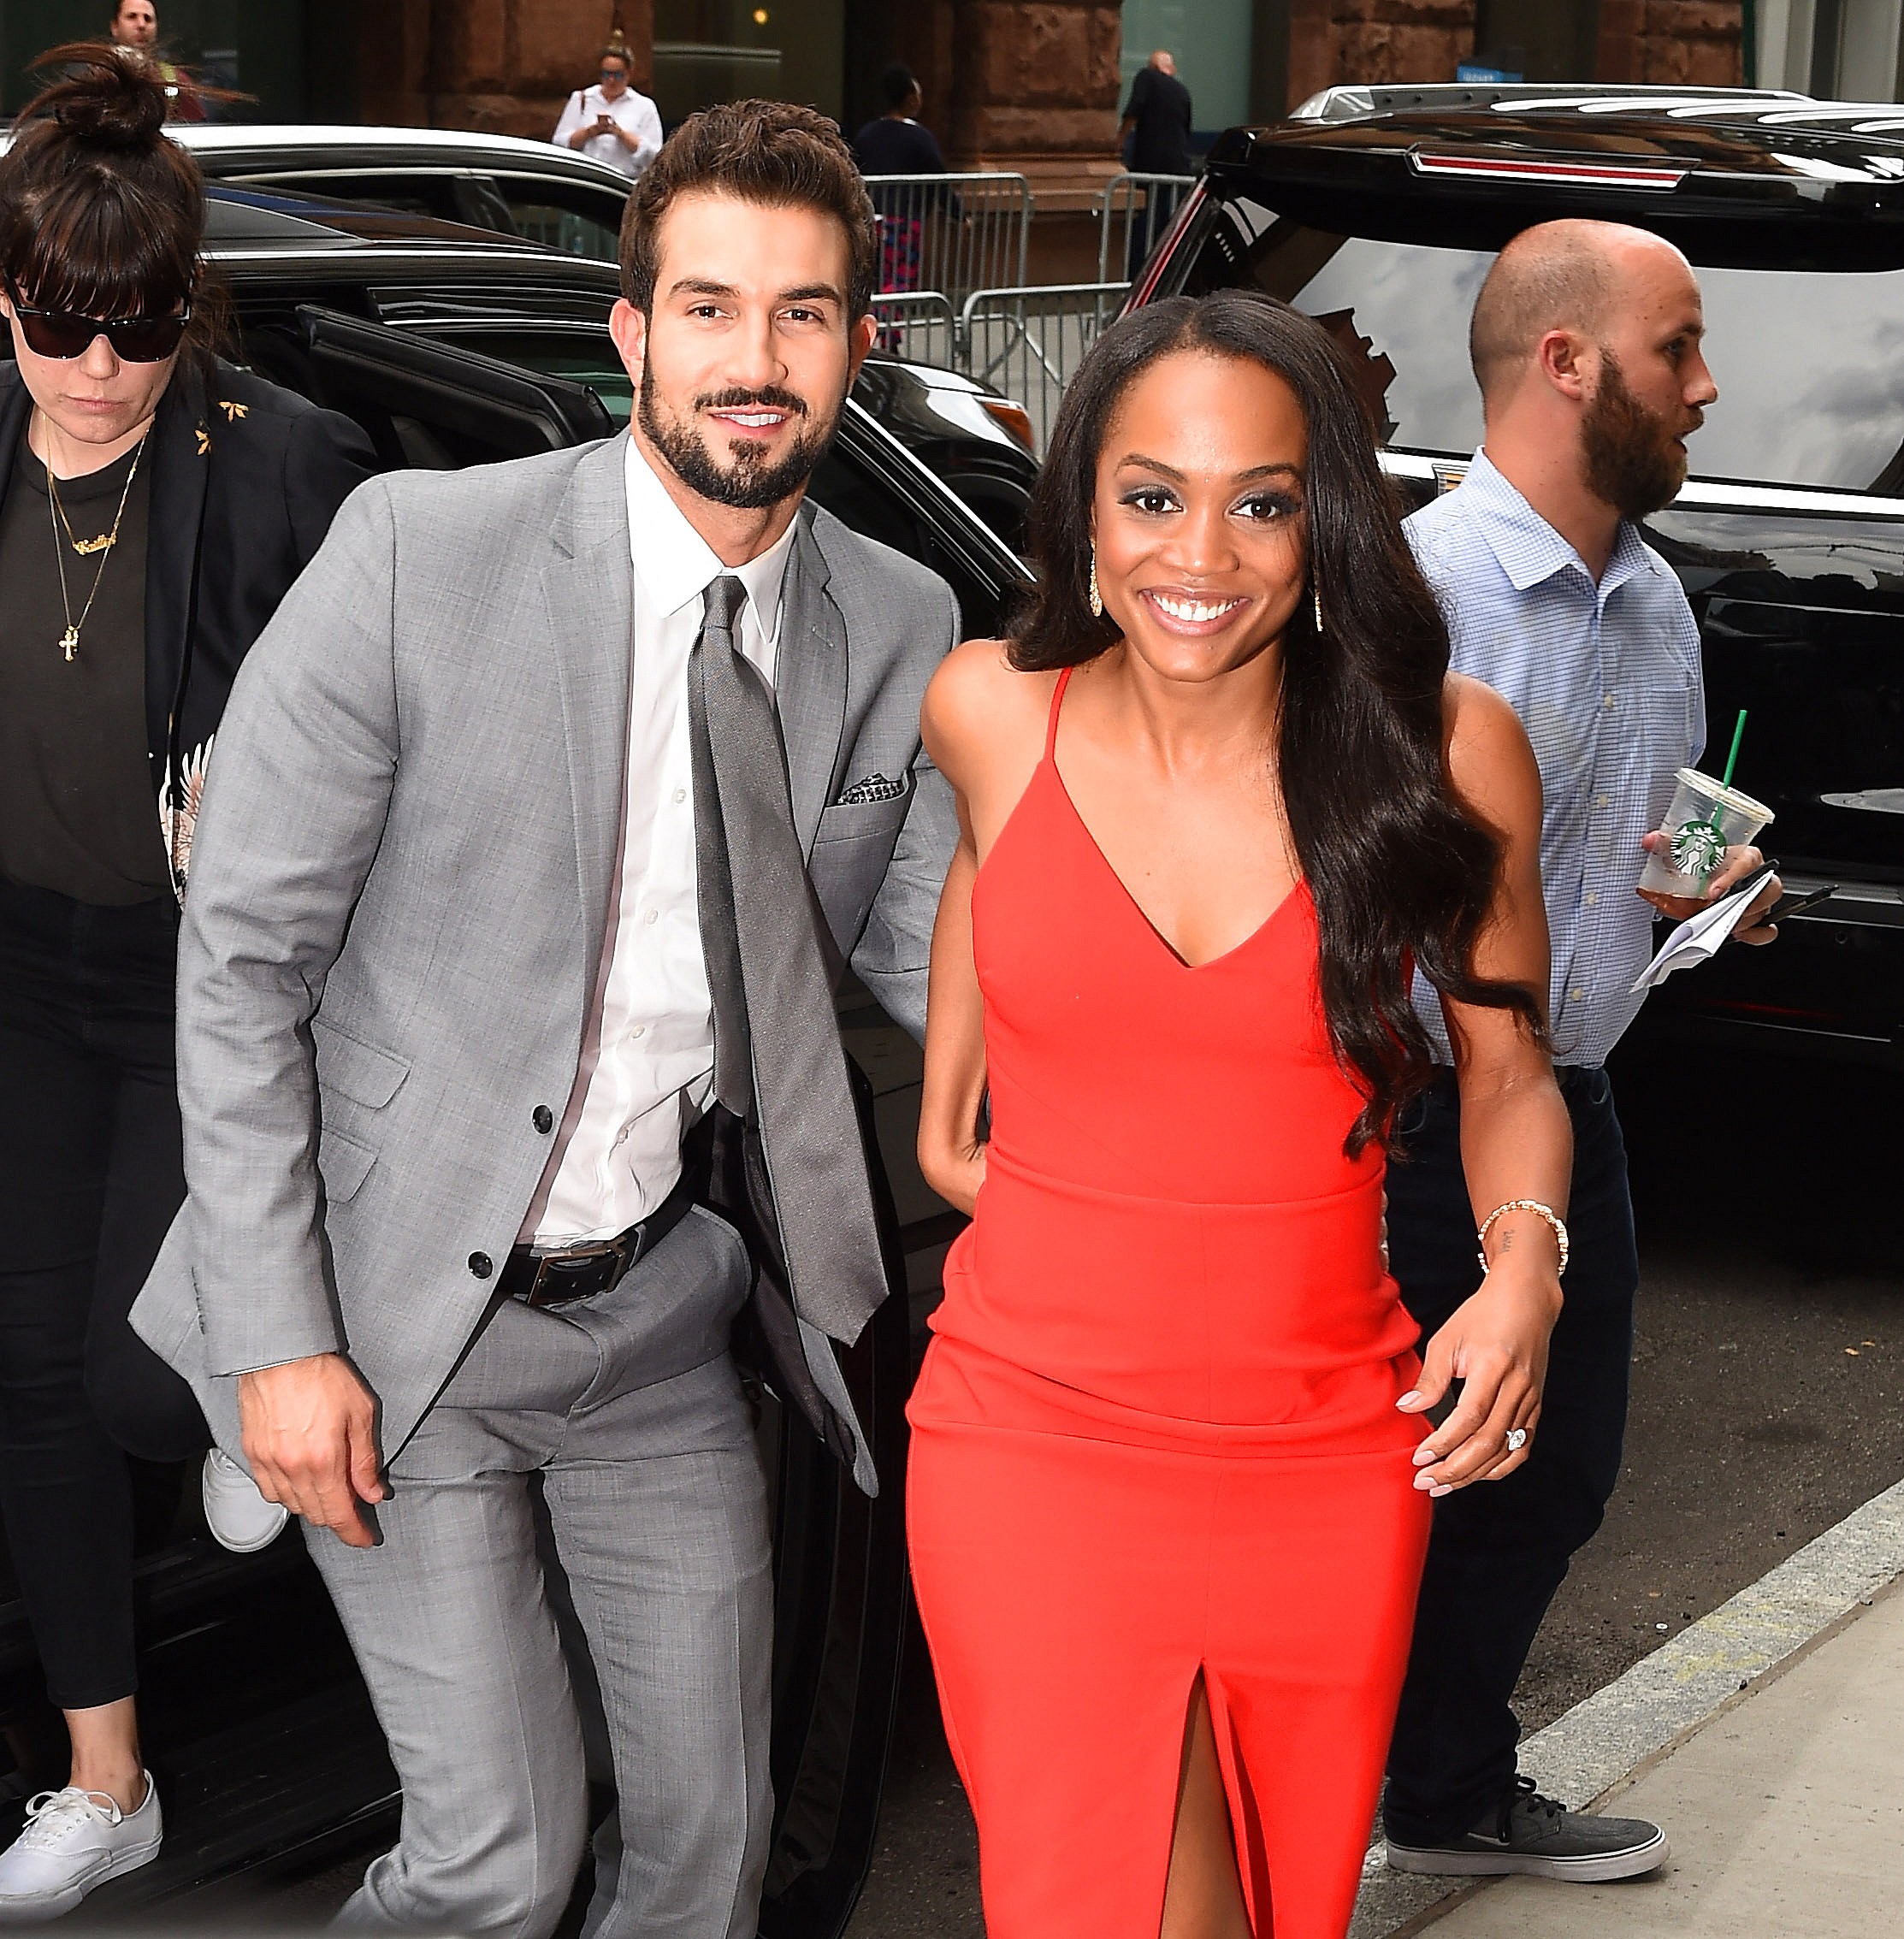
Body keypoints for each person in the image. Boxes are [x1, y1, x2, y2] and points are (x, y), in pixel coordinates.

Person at [130, 98, 959, 1939]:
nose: (758, 362)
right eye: (715, 307)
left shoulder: (896, 623)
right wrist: (281, 1338)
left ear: (854, 345)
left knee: (710, 1850)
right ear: (633, 333)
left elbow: (949, 967)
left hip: (658, 1323)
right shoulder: (420, 553)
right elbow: (245, 967)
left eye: (805, 314)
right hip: (392, 1316)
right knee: (495, 1859)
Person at [908, 288, 1570, 1939]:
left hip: (1326, 1458)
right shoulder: (988, 706)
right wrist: (948, 1110)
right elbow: (994, 871)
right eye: (1150, 496)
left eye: (1258, 501)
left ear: (1323, 516)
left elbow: (1508, 1071)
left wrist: (1524, 1272)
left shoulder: (1443, 753)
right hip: (1033, 1437)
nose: (1196, 551)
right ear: (1081, 514)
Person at [0, 42, 372, 1924]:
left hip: (197, 988)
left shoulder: (282, 465)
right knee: (30, 1386)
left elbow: (397, 724)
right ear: (8, 298)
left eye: (140, 329)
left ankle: (229, 1402)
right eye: (65, 323)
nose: (99, 368)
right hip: (20, 971)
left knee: (129, 1386)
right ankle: (108, 1775)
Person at [1381, 218, 1781, 1883]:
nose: (1706, 383)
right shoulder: (1420, 597)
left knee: (1561, 1473)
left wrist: (1721, 881)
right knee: (1408, 1488)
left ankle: (1448, 1780)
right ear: (1568, 364)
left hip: (1577, 1104)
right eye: (1677, 348)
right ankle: (1334, 1790)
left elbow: (1653, 830)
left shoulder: (1658, 596)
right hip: (1409, 1114)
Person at [1117, 50, 1194, 280]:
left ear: (1153, 67)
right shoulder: (1183, 92)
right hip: (1178, 169)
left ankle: (1137, 277)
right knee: (1166, 226)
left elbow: (1134, 110)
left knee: (1143, 227)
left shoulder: (1146, 78)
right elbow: (1186, 130)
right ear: (1172, 70)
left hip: (1150, 165)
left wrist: (1119, 141)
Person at [552, 40, 661, 181]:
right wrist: (591, 131)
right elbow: (559, 142)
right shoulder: (581, 99)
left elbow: (655, 156)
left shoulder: (644, 105)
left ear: (629, 73)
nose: (611, 80)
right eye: (606, 74)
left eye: (618, 75)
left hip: (625, 182)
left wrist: (621, 134)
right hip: (586, 180)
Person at [105, 1, 202, 121]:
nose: (141, 25)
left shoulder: (176, 81)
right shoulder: (95, 77)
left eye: (148, 19)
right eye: (132, 17)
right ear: (115, 27)